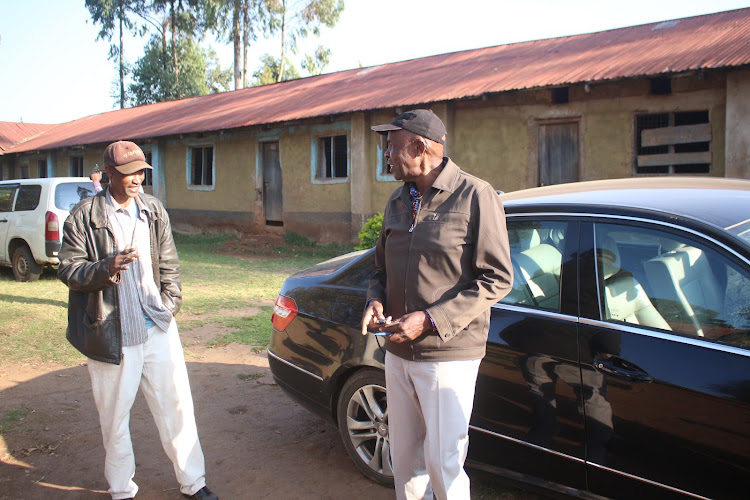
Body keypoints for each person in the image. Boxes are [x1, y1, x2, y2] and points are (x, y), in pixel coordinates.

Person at [361, 109, 513, 499]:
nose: (387, 156)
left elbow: (497, 279)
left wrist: (429, 320)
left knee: (443, 464)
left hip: (448, 356)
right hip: (397, 352)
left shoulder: (475, 196)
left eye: (392, 147)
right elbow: (380, 268)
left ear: (420, 146)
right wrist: (375, 301)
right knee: (406, 459)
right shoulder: (397, 200)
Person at [58, 140, 217, 500]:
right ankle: (122, 490)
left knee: (177, 408)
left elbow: (169, 265)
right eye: (129, 173)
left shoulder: (153, 209)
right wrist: (104, 268)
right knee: (115, 421)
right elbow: (68, 269)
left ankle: (194, 483)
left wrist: (169, 304)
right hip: (112, 333)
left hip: (157, 327)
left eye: (142, 172)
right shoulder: (84, 216)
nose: (137, 179)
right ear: (108, 174)